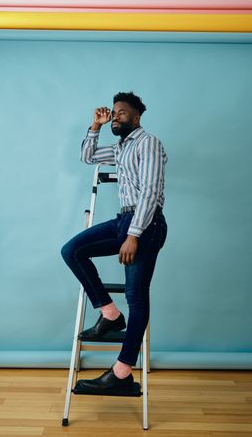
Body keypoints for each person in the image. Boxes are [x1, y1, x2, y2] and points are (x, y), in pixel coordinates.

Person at [61, 91, 167, 394]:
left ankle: (121, 372)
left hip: (146, 224)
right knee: (72, 251)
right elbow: (87, 157)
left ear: (137, 116)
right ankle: (109, 313)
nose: (116, 117)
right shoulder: (121, 147)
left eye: (122, 113)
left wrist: (134, 235)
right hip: (123, 220)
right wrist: (95, 126)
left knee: (136, 296)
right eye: (114, 113)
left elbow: (148, 192)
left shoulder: (149, 143)